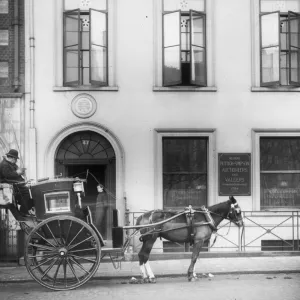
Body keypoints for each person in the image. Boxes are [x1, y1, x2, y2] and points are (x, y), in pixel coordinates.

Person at [0, 149, 33, 216]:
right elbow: (8, 175)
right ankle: (23, 211)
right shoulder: (4, 164)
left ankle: (27, 208)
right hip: (8, 184)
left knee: (30, 190)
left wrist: (21, 173)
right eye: (15, 159)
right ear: (12, 158)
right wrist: (18, 173)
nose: (16, 161)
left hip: (15, 183)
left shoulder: (12, 164)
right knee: (26, 192)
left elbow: (16, 172)